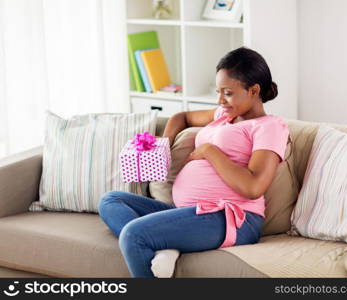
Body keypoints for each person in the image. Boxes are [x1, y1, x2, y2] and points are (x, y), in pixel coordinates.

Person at [98, 46, 290, 278]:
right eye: (218, 92)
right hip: (189, 212)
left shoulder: (269, 126)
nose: (220, 100)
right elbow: (183, 117)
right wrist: (165, 141)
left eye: (227, 93)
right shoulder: (224, 115)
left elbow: (253, 187)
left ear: (253, 90)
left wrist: (210, 151)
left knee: (133, 235)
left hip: (231, 217)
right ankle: (165, 245)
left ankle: (157, 243)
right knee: (111, 201)